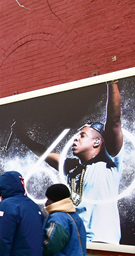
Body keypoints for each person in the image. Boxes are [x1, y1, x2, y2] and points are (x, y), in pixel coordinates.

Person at [14, 81, 124, 244]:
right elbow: (45, 154)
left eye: (82, 135)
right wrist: (21, 136)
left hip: (103, 241)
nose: (75, 138)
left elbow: (114, 120)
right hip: (76, 240)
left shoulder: (108, 162)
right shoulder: (72, 167)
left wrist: (112, 82)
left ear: (97, 142)